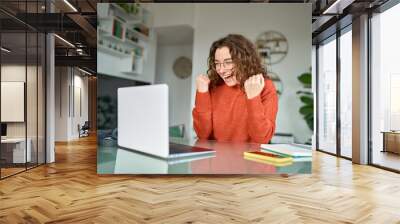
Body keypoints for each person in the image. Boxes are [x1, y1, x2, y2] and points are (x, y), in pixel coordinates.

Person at [192, 34, 278, 144]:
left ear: (245, 60)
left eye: (228, 62)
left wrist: (253, 98)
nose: (221, 70)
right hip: (215, 159)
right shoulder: (211, 87)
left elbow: (261, 138)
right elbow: (202, 135)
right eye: (217, 63)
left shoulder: (265, 86)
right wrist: (202, 93)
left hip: (248, 160)